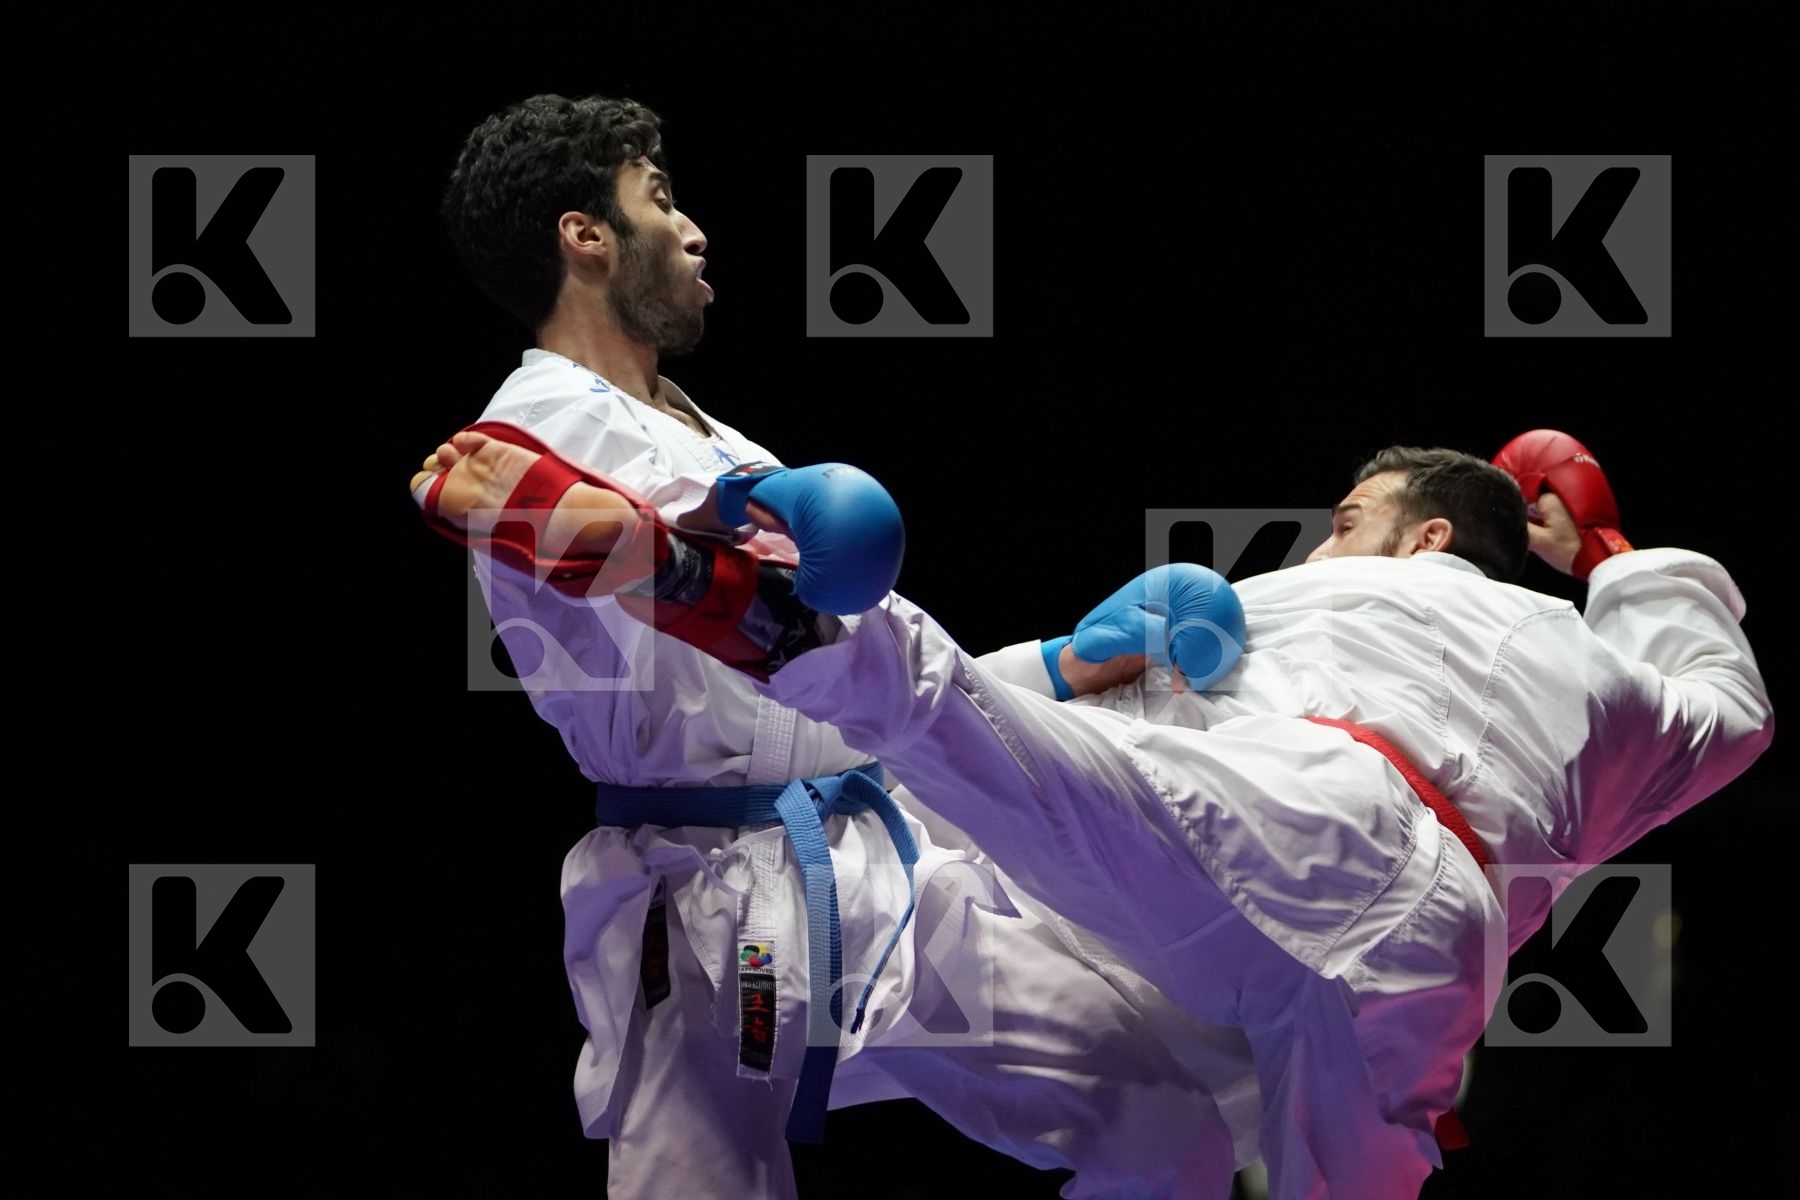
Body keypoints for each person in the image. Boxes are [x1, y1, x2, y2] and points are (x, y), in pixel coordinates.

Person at [415, 430, 1773, 1198]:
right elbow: (1738, 710)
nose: (1319, 540)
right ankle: (808, 636)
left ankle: (784, 609)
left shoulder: (1294, 604)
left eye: (1343, 516)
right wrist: (1608, 559)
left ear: (1419, 538)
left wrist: (1075, 663)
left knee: (987, 757)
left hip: (1296, 823)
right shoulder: (1604, 685)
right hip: (1442, 963)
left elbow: (1039, 766)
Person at [411, 92, 1264, 1200]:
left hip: (876, 865)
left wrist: (1052, 670)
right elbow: (643, 548)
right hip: (704, 895)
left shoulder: (708, 426)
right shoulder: (531, 431)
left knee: (1162, 1130)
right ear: (584, 237)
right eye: (658, 201)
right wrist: (749, 505)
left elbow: (846, 674)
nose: (692, 229)